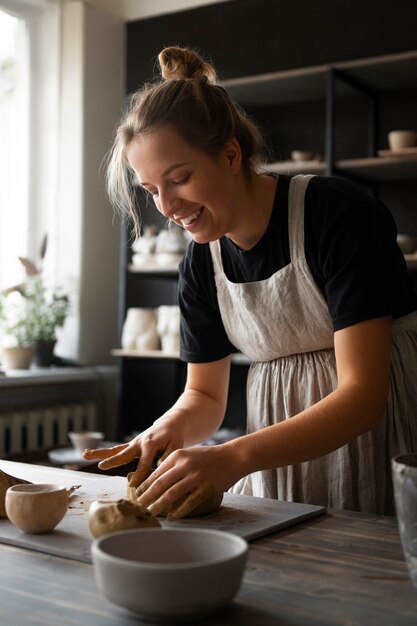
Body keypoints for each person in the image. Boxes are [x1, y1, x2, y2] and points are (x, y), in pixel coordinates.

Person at [84, 46, 417, 519]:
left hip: (380, 441)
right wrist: (168, 428)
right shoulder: (202, 264)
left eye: (179, 179)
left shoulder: (335, 215)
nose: (166, 207)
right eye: (152, 190)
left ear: (231, 154)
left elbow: (363, 398)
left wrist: (232, 456)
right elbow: (205, 396)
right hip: (278, 460)